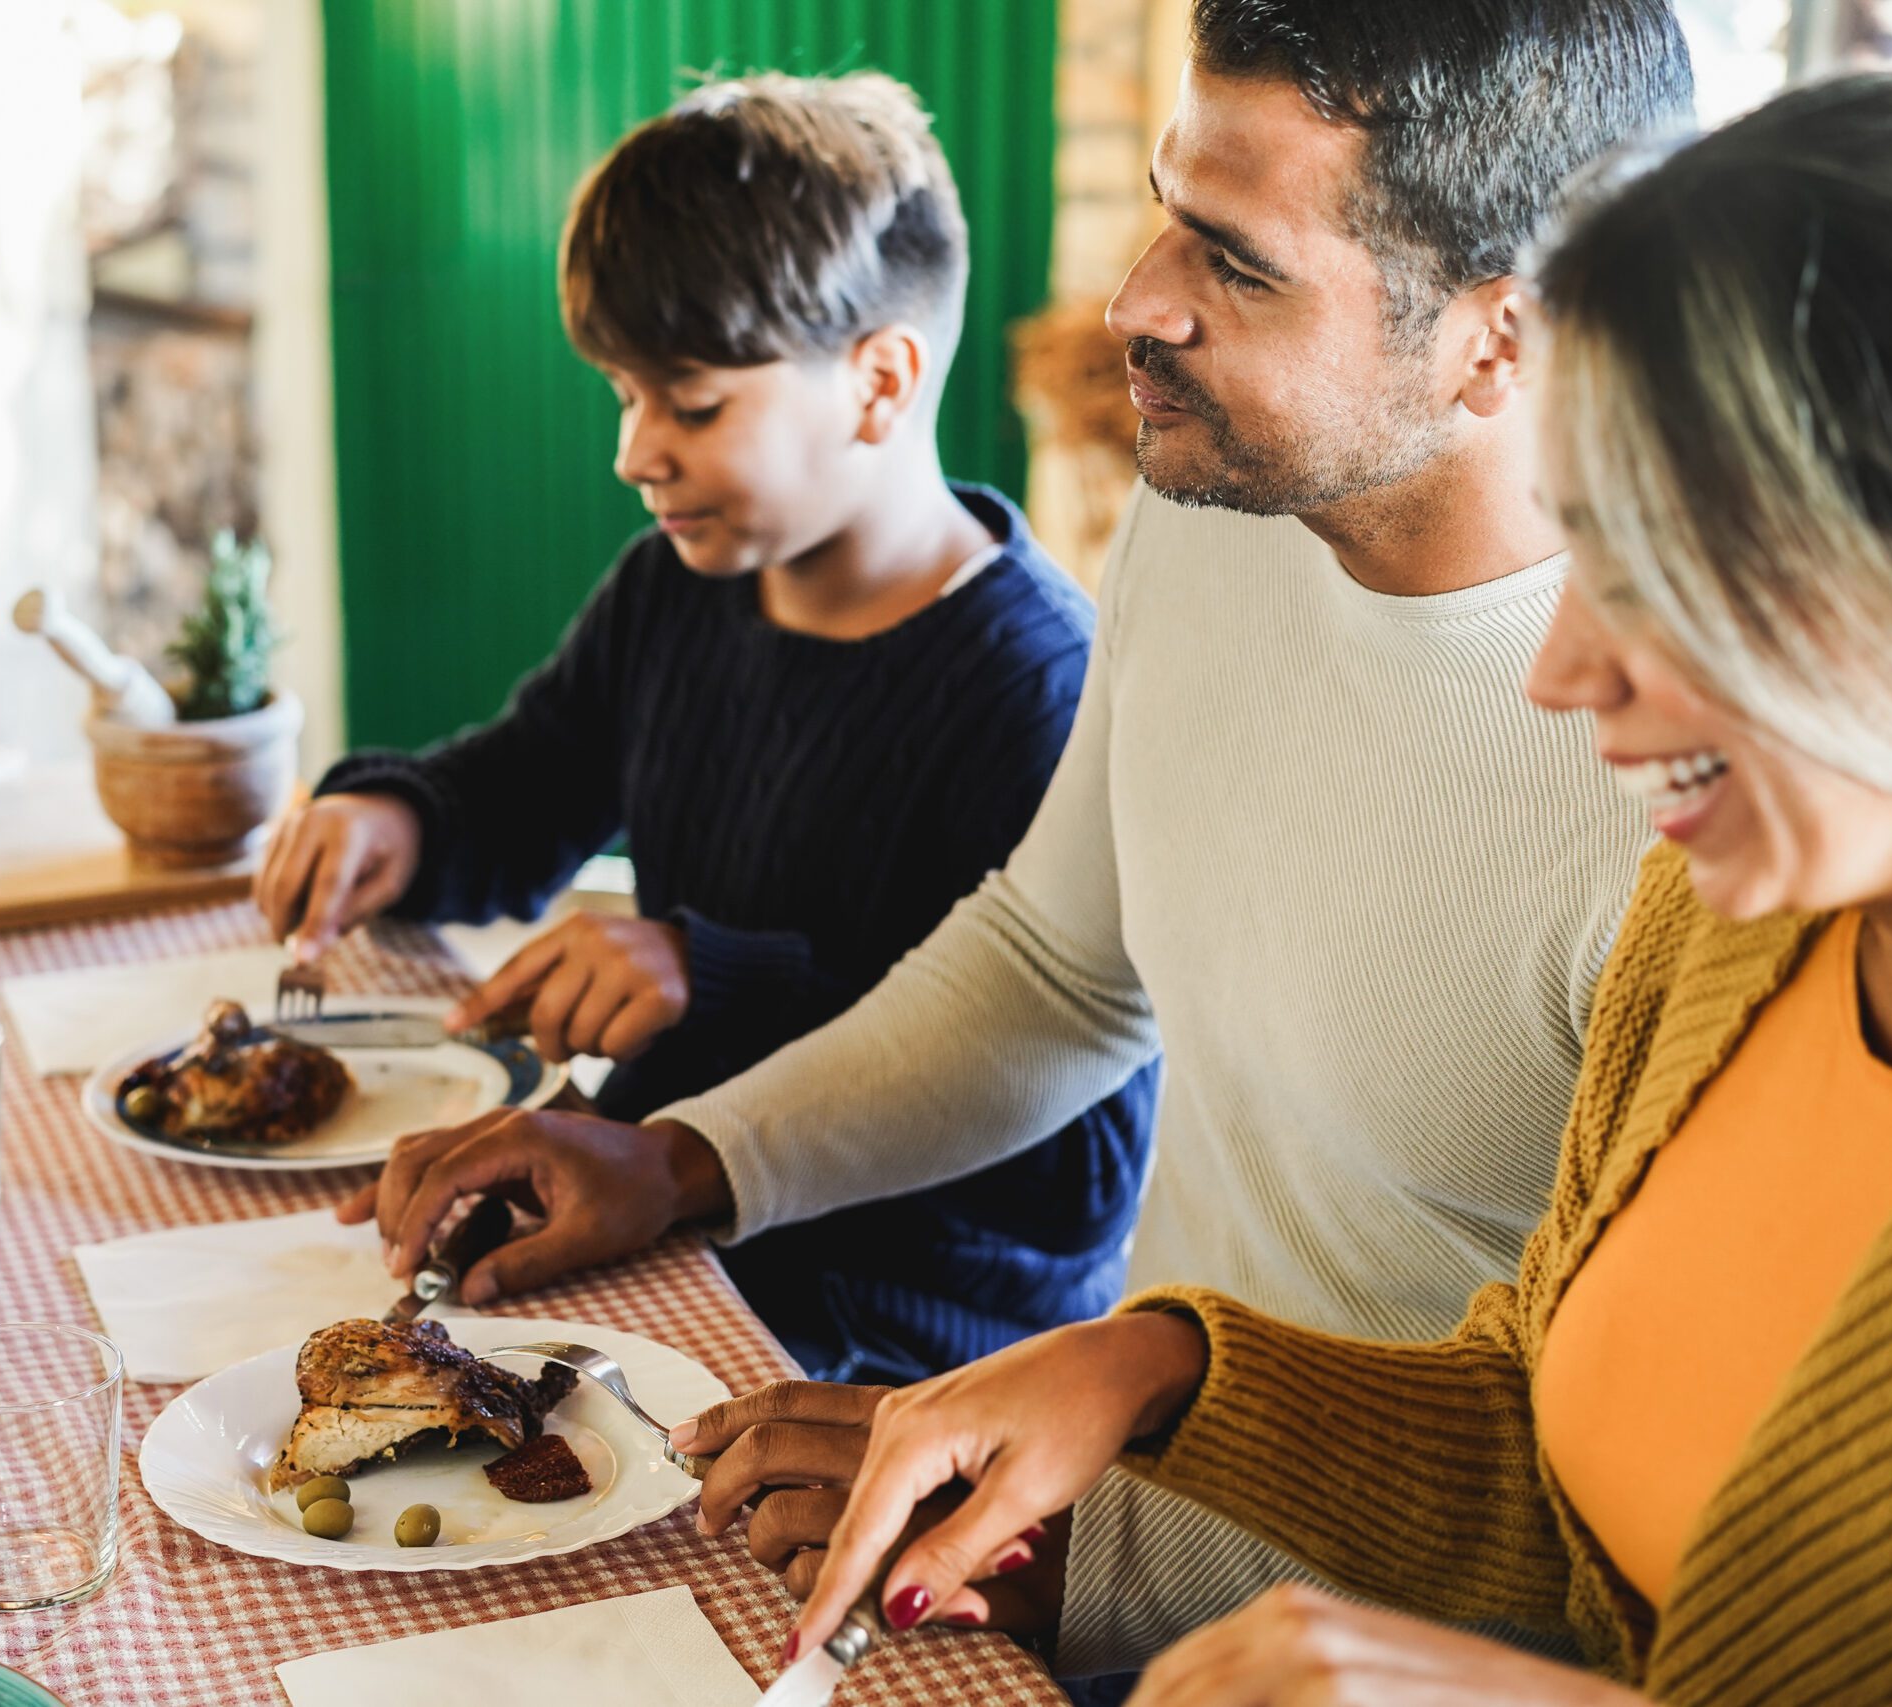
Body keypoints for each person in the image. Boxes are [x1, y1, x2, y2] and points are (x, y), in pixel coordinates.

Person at [349, 0, 1687, 1675]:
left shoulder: (1701, 790)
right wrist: (692, 1158)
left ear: (1504, 336)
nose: (1136, 302)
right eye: (1158, 206)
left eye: (1236, 261)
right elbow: (1061, 968)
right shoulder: (1225, 515)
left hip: (1278, 1621)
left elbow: (1621, 1506)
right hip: (1097, 1512)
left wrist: (1111, 1556)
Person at [793, 71, 1892, 1705]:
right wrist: (1162, 1368)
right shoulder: (1723, 945)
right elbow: (1557, 1435)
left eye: (1659, 566)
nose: (1559, 670)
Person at [254, 73, 1158, 1385]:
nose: (634, 452)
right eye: (622, 394)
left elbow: (1075, 1172)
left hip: (895, 1351)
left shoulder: (1042, 692)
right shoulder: (677, 589)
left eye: (690, 403)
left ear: (878, 384)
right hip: (663, 1228)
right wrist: (397, 818)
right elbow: (525, 789)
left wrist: (713, 976)